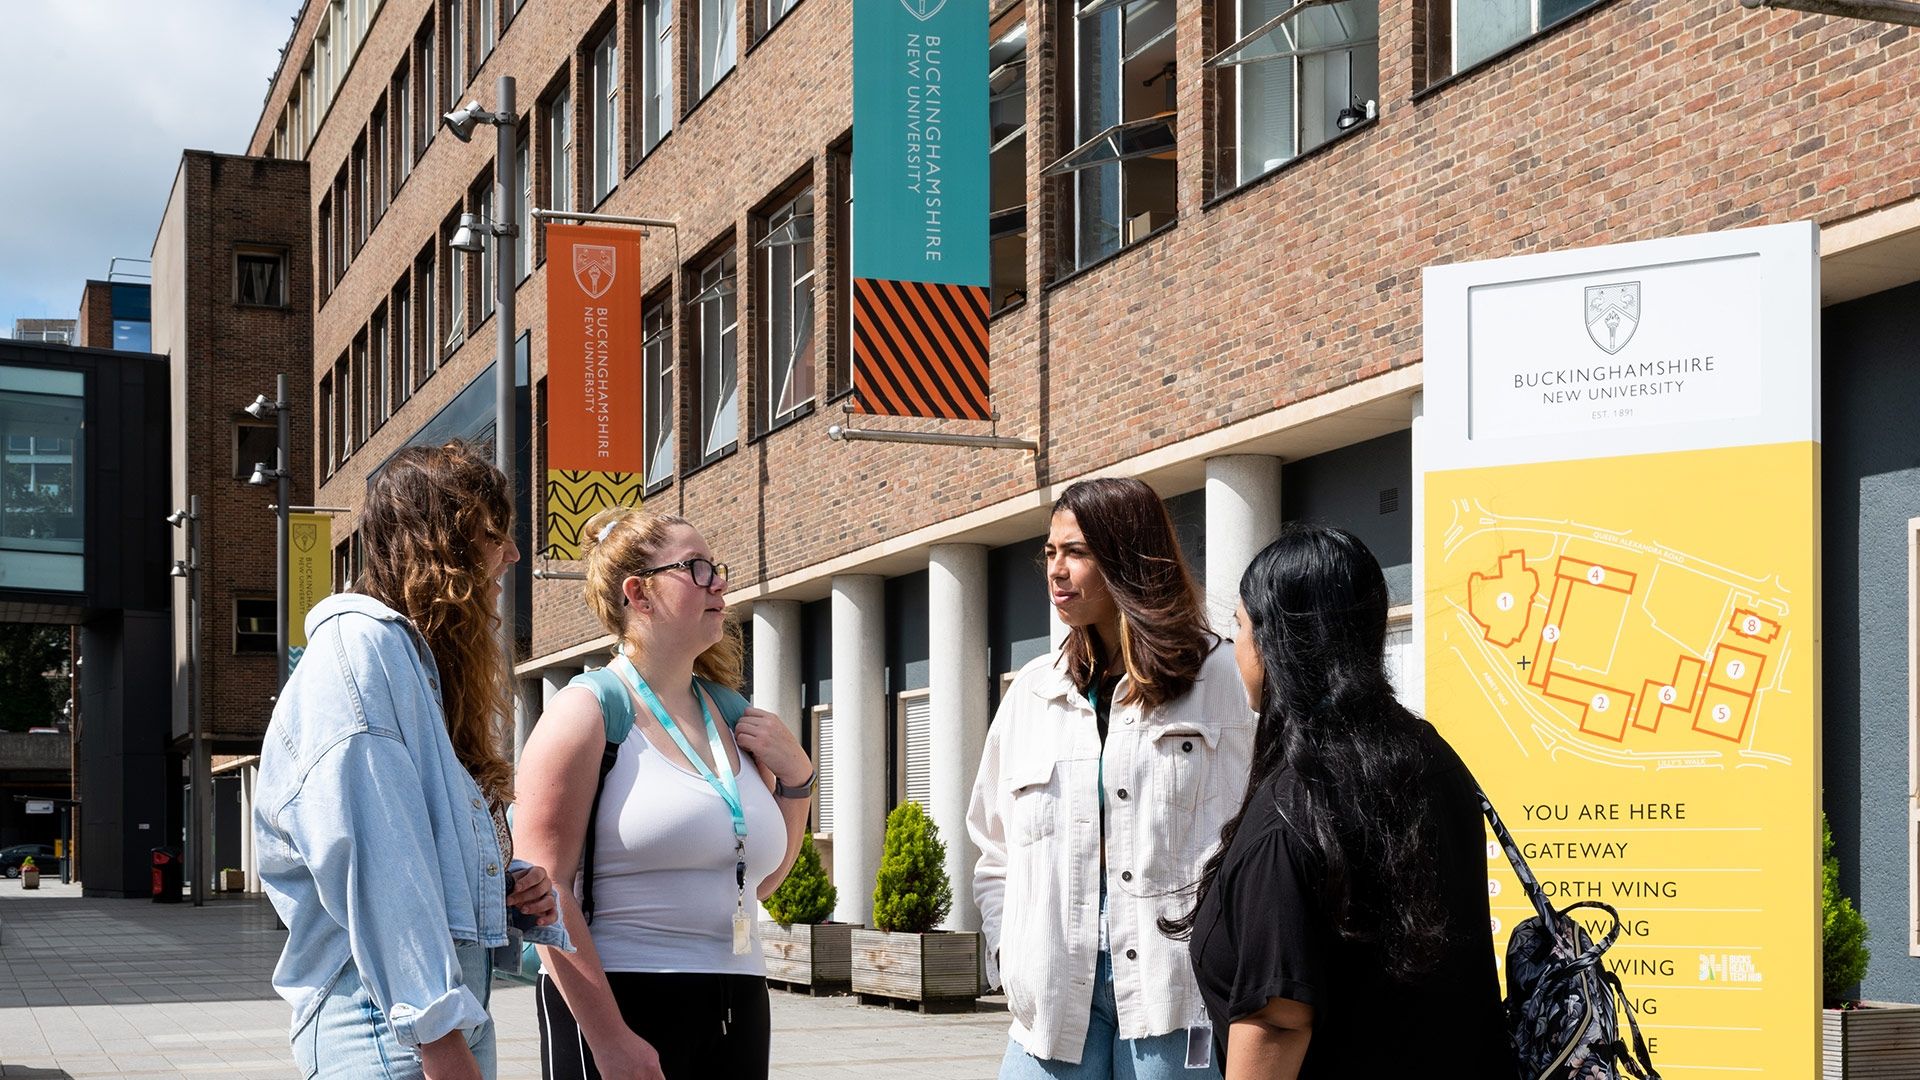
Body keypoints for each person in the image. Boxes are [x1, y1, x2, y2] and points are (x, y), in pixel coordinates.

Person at [254, 441, 568, 1080]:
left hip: (425, 1015)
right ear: (440, 545)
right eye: (493, 535)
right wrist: (437, 1037)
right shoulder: (362, 654)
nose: (510, 553)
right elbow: (378, 862)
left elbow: (410, 854)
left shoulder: (405, 663)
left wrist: (502, 883)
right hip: (391, 1024)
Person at [1168, 524, 1511, 1079]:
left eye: (1241, 628)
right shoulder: (1430, 757)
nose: (1238, 650)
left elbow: (1278, 1021)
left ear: (1276, 643)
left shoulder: (1291, 813)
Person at [968, 477, 1255, 1080]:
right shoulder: (1032, 693)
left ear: (1127, 557)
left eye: (1076, 553)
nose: (1056, 570)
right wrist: (1006, 949)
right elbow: (993, 844)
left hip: (1172, 991)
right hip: (1051, 994)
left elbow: (1254, 833)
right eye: (1050, 553)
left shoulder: (1219, 678)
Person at [513, 505, 814, 1080]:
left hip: (740, 999)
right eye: (696, 568)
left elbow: (761, 882)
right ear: (639, 594)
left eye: (715, 566)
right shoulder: (586, 713)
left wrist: (798, 781)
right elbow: (542, 893)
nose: (719, 581)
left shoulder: (733, 715)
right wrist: (608, 1040)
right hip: (620, 999)